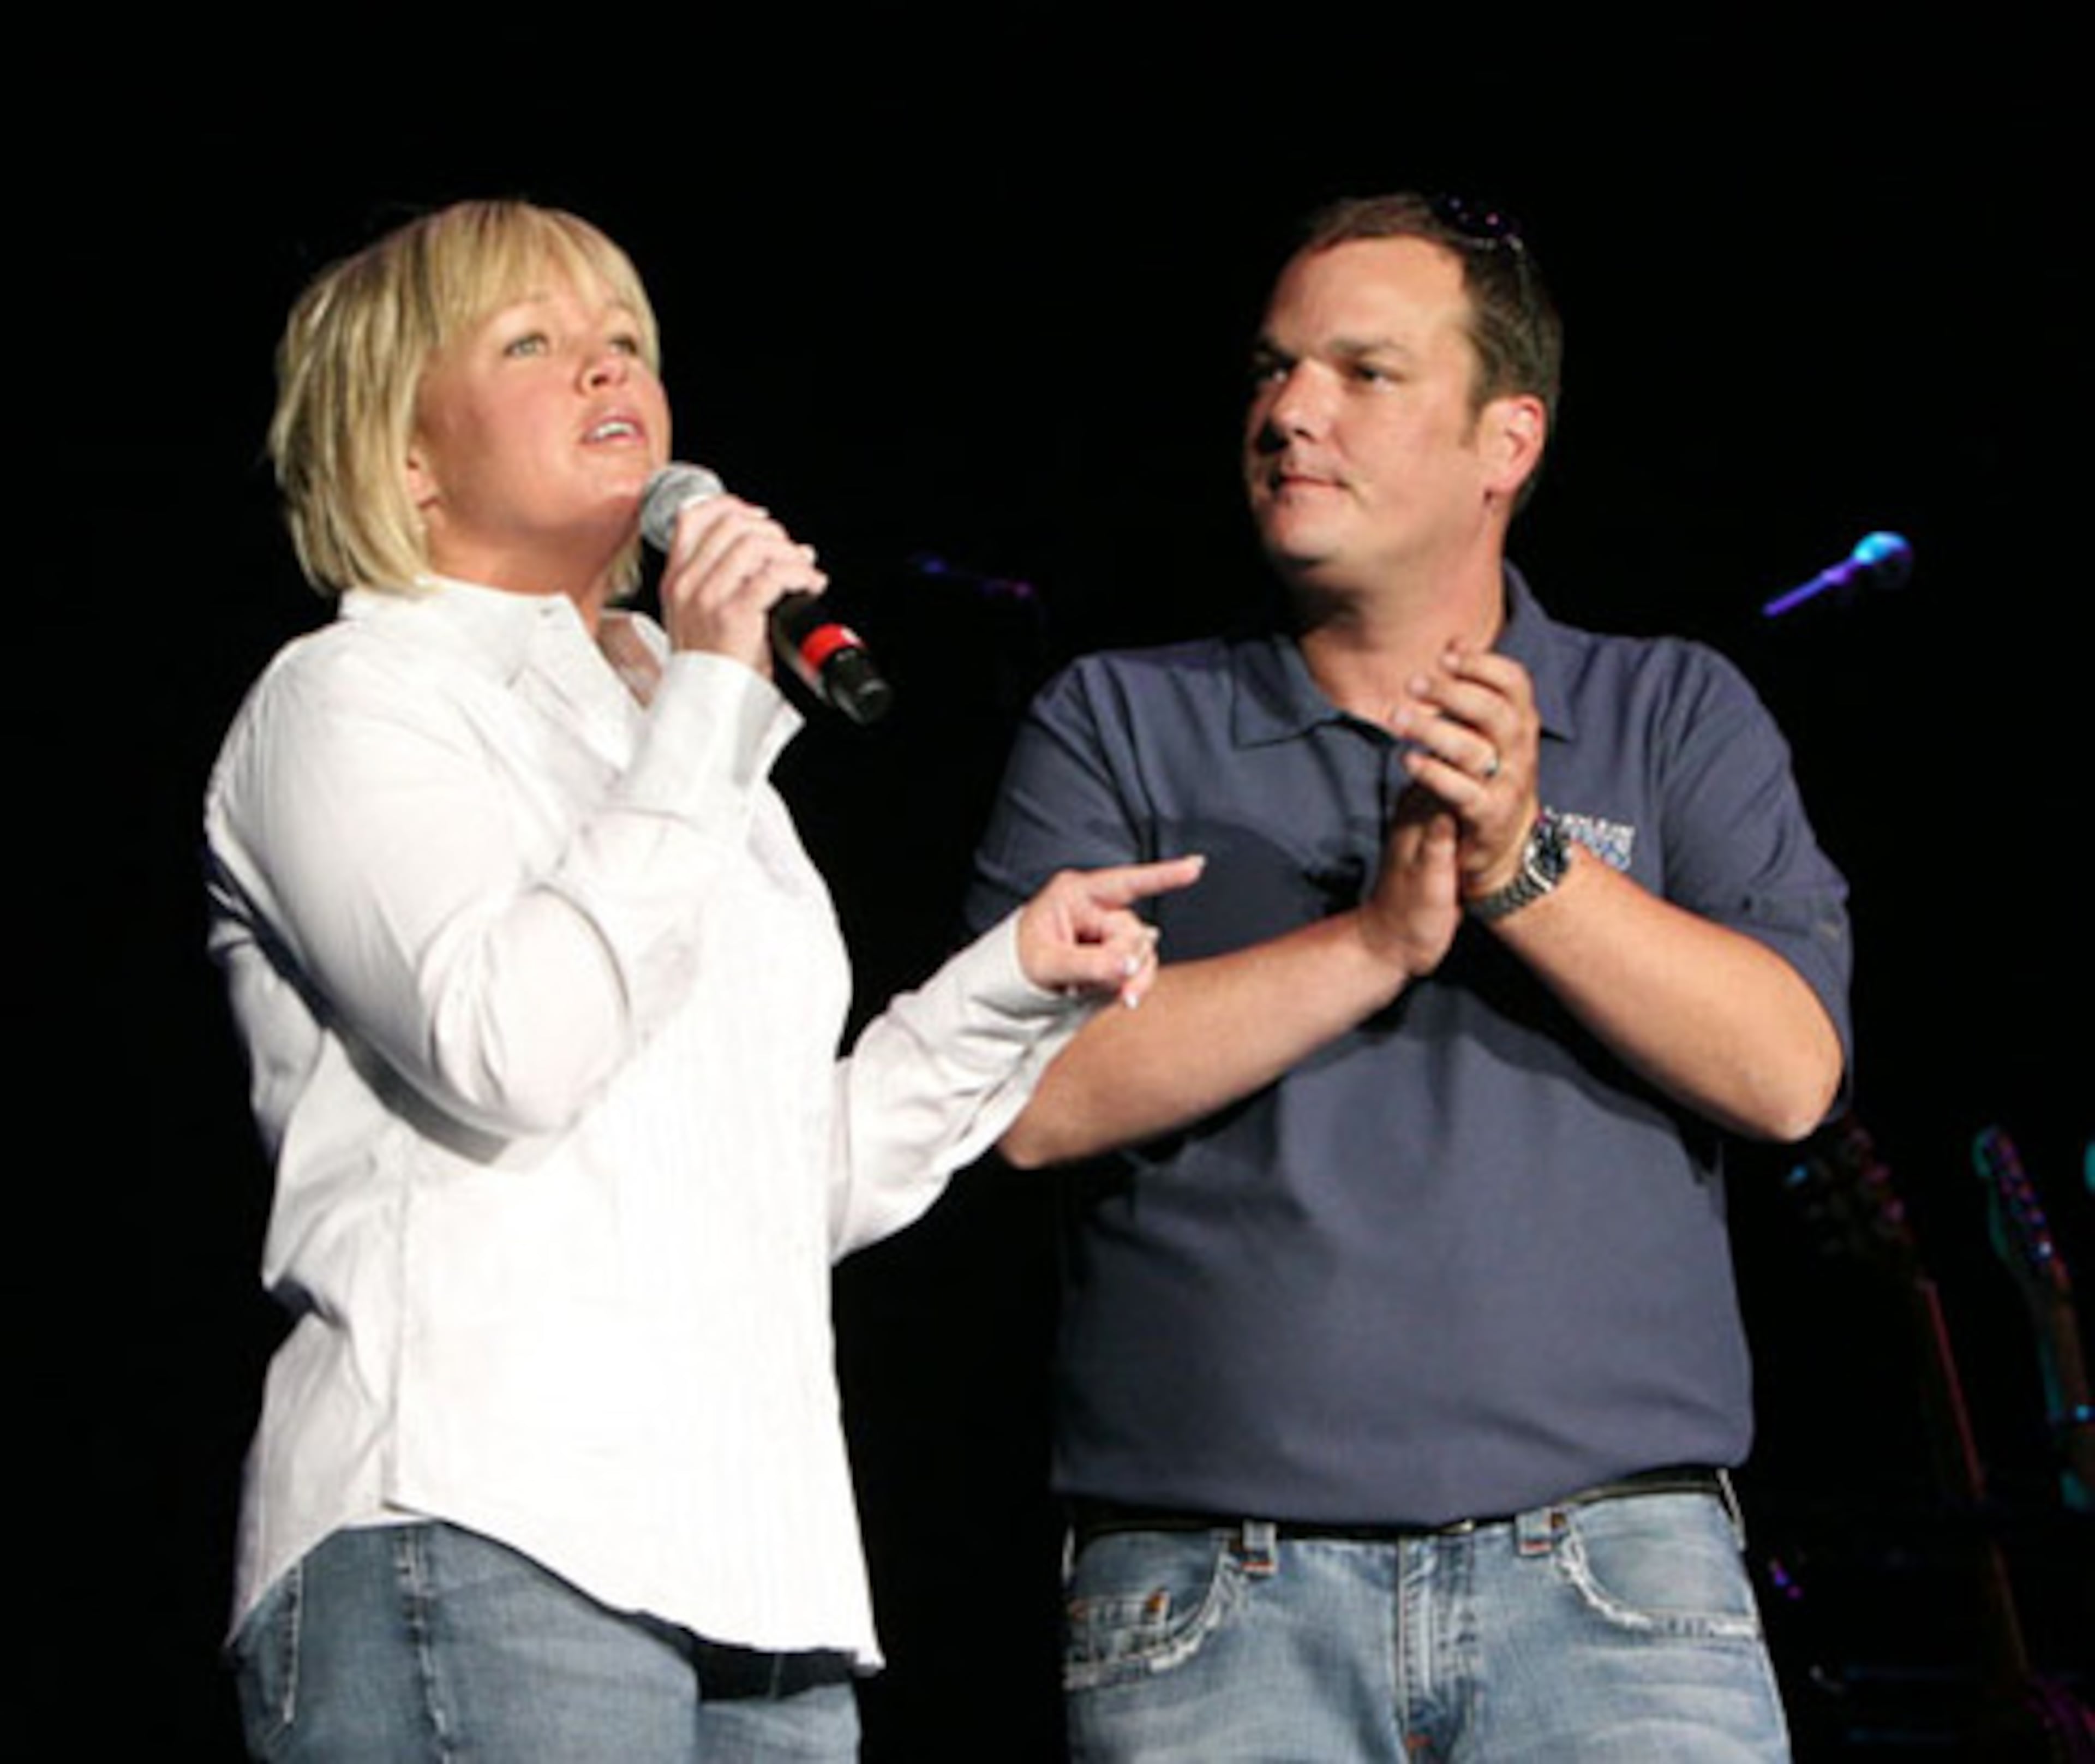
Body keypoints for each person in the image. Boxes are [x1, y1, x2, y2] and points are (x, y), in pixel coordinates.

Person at [205, 198, 1198, 1762]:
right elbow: (513, 1045)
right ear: (407, 456)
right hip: (482, 1520)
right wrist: (718, 700)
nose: (608, 371)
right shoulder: (354, 695)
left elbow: (769, 1182)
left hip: (759, 1580)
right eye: (533, 343)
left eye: (625, 343)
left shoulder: (687, 724)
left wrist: (1003, 988)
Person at [966, 193, 1852, 1761]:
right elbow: (1021, 1104)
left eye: (1362, 373)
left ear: (1505, 440)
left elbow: (1789, 1072)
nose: (1290, 413)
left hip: (1614, 1589)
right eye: (1272, 371)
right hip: (1212, 1600)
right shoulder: (1117, 722)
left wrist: (1525, 865)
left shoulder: (1670, 710)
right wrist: (1373, 943)